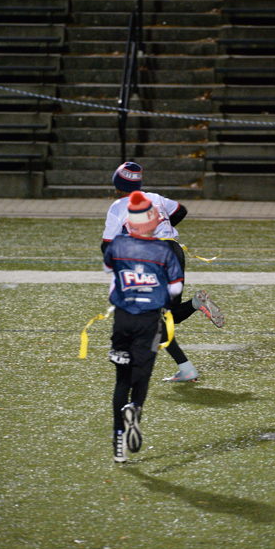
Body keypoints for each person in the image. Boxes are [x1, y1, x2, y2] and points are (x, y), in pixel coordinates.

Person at [101, 161, 224, 382]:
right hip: (174, 251)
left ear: (117, 185)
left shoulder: (118, 206)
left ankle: (185, 367)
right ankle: (195, 307)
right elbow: (181, 210)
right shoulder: (154, 198)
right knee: (167, 315)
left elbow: (107, 245)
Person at [103, 190, 185, 462]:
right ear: (154, 221)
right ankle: (135, 407)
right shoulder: (163, 251)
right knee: (142, 376)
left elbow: (112, 274)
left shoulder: (117, 247)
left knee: (121, 380)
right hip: (149, 320)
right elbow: (175, 290)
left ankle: (118, 443)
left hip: (123, 319)